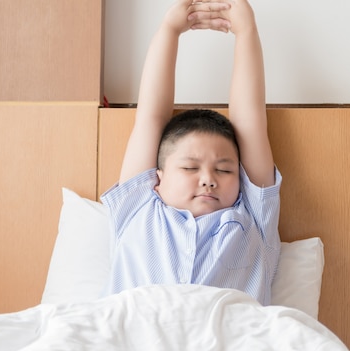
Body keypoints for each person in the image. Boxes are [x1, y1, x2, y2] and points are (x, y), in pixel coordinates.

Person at [100, 0, 281, 306]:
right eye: (189, 168)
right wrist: (169, 30)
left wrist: (246, 29)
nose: (208, 180)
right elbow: (150, 116)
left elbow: (249, 123)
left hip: (227, 345)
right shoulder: (137, 208)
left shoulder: (253, 215)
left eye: (224, 170)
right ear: (158, 178)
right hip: (138, 338)